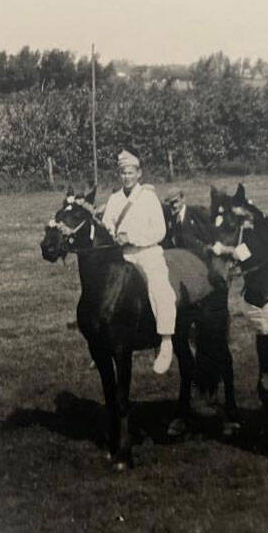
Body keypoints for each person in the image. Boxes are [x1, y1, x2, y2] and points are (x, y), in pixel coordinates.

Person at [101, 150, 177, 374]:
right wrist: (113, 236)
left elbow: (159, 232)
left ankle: (165, 339)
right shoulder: (114, 199)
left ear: (139, 173)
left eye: (130, 172)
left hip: (147, 252)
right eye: (123, 173)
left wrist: (132, 238)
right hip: (122, 254)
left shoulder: (148, 197)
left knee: (159, 288)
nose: (126, 177)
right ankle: (106, 337)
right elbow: (107, 226)